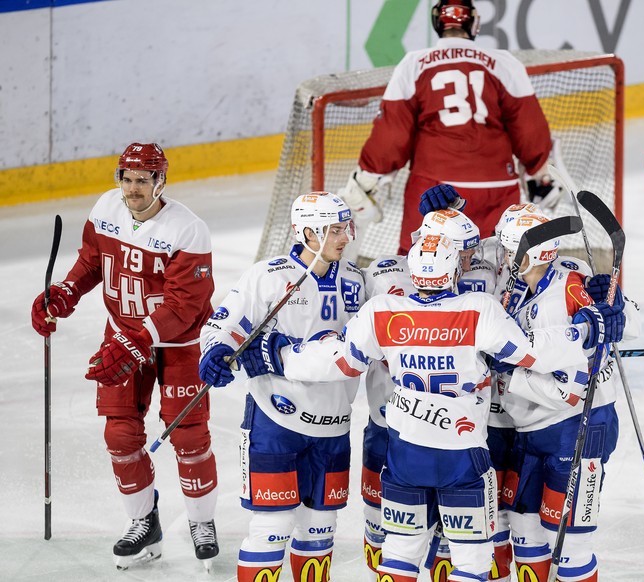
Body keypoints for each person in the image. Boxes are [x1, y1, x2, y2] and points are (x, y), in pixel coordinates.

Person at [249, 231, 623, 582]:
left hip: (405, 459)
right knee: (472, 559)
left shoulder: (383, 311)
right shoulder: (479, 309)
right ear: (454, 270)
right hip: (462, 461)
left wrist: (277, 353)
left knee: (399, 552)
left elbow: (339, 360)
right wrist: (588, 329)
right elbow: (533, 352)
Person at [30, 143, 220, 570]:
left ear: (160, 182)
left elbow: (186, 305)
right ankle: (142, 522)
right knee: (119, 435)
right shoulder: (106, 209)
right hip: (122, 335)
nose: (132, 189)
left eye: (142, 180)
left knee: (188, 435)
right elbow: (91, 261)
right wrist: (64, 293)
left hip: (179, 344)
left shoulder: (188, 230)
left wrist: (137, 340)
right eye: (127, 179)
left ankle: (201, 522)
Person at [198, 191, 364, 582]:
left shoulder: (357, 281)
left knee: (320, 532)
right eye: (335, 230)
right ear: (308, 232)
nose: (345, 238)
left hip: (334, 425)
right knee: (271, 529)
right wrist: (216, 350)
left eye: (346, 228)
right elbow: (223, 324)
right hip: (276, 421)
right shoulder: (269, 276)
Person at [338, 0, 558, 258]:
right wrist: (538, 171)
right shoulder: (504, 63)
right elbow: (530, 130)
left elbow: (392, 136)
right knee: (497, 268)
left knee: (419, 266)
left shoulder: (414, 64)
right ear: (473, 23)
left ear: (437, 23)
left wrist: (369, 178)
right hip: (495, 187)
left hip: (432, 190)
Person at [494, 212, 640, 581]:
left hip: (578, 428)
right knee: (525, 531)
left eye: (509, 248)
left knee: (570, 540)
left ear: (531, 255)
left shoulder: (567, 291)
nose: (502, 254)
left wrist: (508, 373)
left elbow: (570, 390)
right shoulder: (518, 285)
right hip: (530, 430)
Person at [359, 203, 491, 581]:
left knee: (410, 547)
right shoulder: (381, 276)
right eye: (462, 251)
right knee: (386, 537)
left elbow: (343, 349)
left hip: (408, 437)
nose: (470, 259)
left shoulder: (479, 276)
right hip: (407, 433)